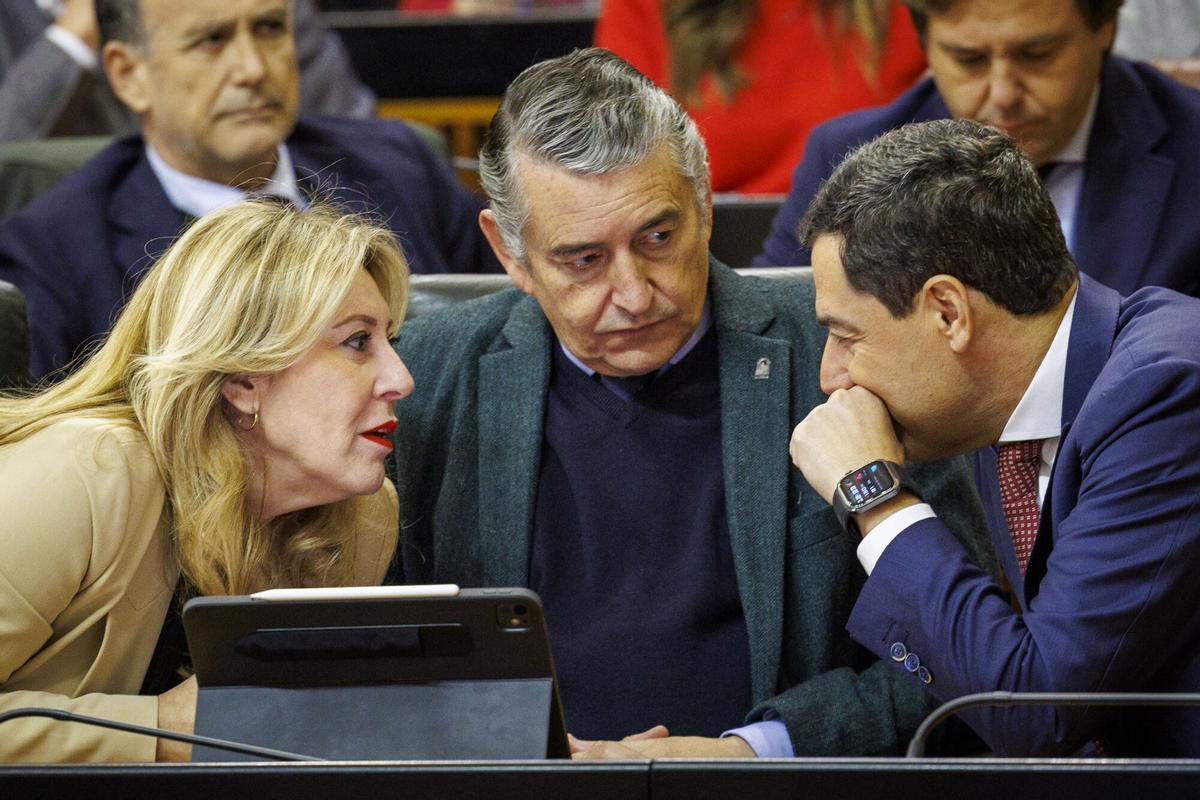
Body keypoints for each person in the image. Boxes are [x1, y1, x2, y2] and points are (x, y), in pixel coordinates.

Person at [390, 48, 990, 759]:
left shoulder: (849, 358)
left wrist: (755, 752)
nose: (634, 293)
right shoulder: (419, 380)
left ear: (704, 203)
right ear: (509, 252)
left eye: (658, 238)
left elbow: (960, 657)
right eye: (583, 259)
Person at [789, 118, 1200, 756]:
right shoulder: (995, 408)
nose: (830, 376)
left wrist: (874, 496)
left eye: (846, 335)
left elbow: (1038, 710)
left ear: (948, 312)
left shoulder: (1168, 390)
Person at [0, 199, 414, 762]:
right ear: (243, 379)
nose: (401, 379)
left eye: (392, 341)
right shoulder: (86, 472)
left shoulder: (360, 520)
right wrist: (161, 730)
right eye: (357, 342)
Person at [0, 0, 499, 380]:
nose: (254, 69)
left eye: (269, 29)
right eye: (212, 40)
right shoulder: (53, 249)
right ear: (129, 75)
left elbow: (503, 335)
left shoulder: (400, 164)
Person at [755, 0, 1200, 302]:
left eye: (1037, 54)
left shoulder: (1191, 142)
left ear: (1105, 28)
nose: (1003, 94)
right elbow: (782, 336)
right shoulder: (844, 155)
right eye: (969, 60)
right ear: (926, 44)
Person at [595, 0, 926, 194]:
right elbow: (622, 170)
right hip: (707, 260)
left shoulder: (906, 12)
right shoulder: (644, 8)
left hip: (879, 246)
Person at [0, 0, 375, 140]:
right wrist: (74, 35)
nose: (252, 70)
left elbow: (354, 139)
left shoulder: (256, 8)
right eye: (211, 39)